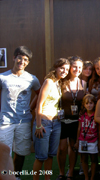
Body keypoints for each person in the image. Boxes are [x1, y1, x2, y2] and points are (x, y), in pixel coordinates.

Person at [0, 46, 41, 180]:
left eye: (25, 59)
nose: (21, 61)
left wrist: (30, 107)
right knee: (4, 151)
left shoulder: (32, 79)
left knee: (21, 152)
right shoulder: (2, 77)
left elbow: (40, 94)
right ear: (14, 58)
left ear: (28, 62)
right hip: (5, 121)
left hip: (23, 121)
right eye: (19, 58)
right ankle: (5, 176)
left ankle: (16, 176)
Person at [33, 58, 70, 180]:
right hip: (44, 122)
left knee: (50, 155)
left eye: (67, 69)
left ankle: (47, 179)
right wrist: (38, 125)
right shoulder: (49, 81)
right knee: (41, 157)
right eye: (62, 68)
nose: (64, 71)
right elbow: (39, 104)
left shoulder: (58, 83)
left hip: (56, 123)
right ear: (56, 68)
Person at [57, 56, 85, 180]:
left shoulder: (84, 83)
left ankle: (70, 172)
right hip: (62, 120)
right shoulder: (61, 81)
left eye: (80, 67)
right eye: (75, 66)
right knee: (62, 148)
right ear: (70, 67)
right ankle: (61, 172)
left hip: (76, 121)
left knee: (73, 147)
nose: (77, 69)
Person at [74, 94, 99, 180]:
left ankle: (92, 177)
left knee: (93, 159)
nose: (89, 105)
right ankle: (86, 177)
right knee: (84, 159)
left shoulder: (96, 115)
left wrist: (98, 141)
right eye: (87, 103)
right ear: (84, 105)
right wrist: (77, 141)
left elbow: (98, 129)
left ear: (94, 104)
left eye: (91, 103)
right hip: (83, 140)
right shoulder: (82, 115)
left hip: (93, 140)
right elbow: (79, 128)